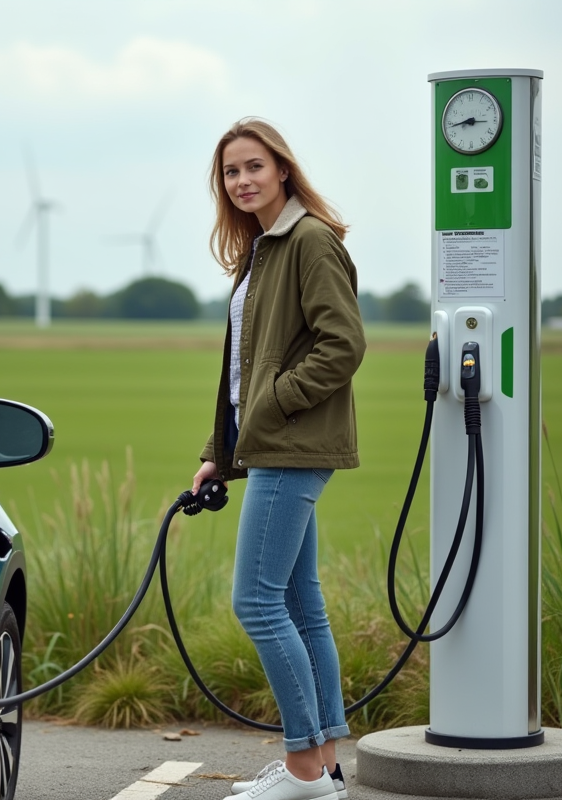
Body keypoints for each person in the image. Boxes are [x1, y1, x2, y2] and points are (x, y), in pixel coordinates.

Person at [192, 118, 365, 800]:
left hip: (291, 445)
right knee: (300, 602)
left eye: (253, 167)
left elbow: (342, 344)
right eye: (231, 172)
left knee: (257, 603)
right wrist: (219, 452)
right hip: (269, 444)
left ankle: (302, 771)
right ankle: (323, 764)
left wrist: (273, 406)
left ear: (283, 169)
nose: (242, 181)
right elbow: (242, 367)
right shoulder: (263, 249)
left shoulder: (310, 241)